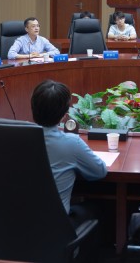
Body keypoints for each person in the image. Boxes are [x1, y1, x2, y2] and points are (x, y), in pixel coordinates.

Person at [31, 79, 107, 216]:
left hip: (14, 222)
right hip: (56, 224)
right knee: (101, 207)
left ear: (32, 108)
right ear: (64, 115)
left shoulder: (14, 140)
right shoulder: (72, 143)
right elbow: (99, 172)